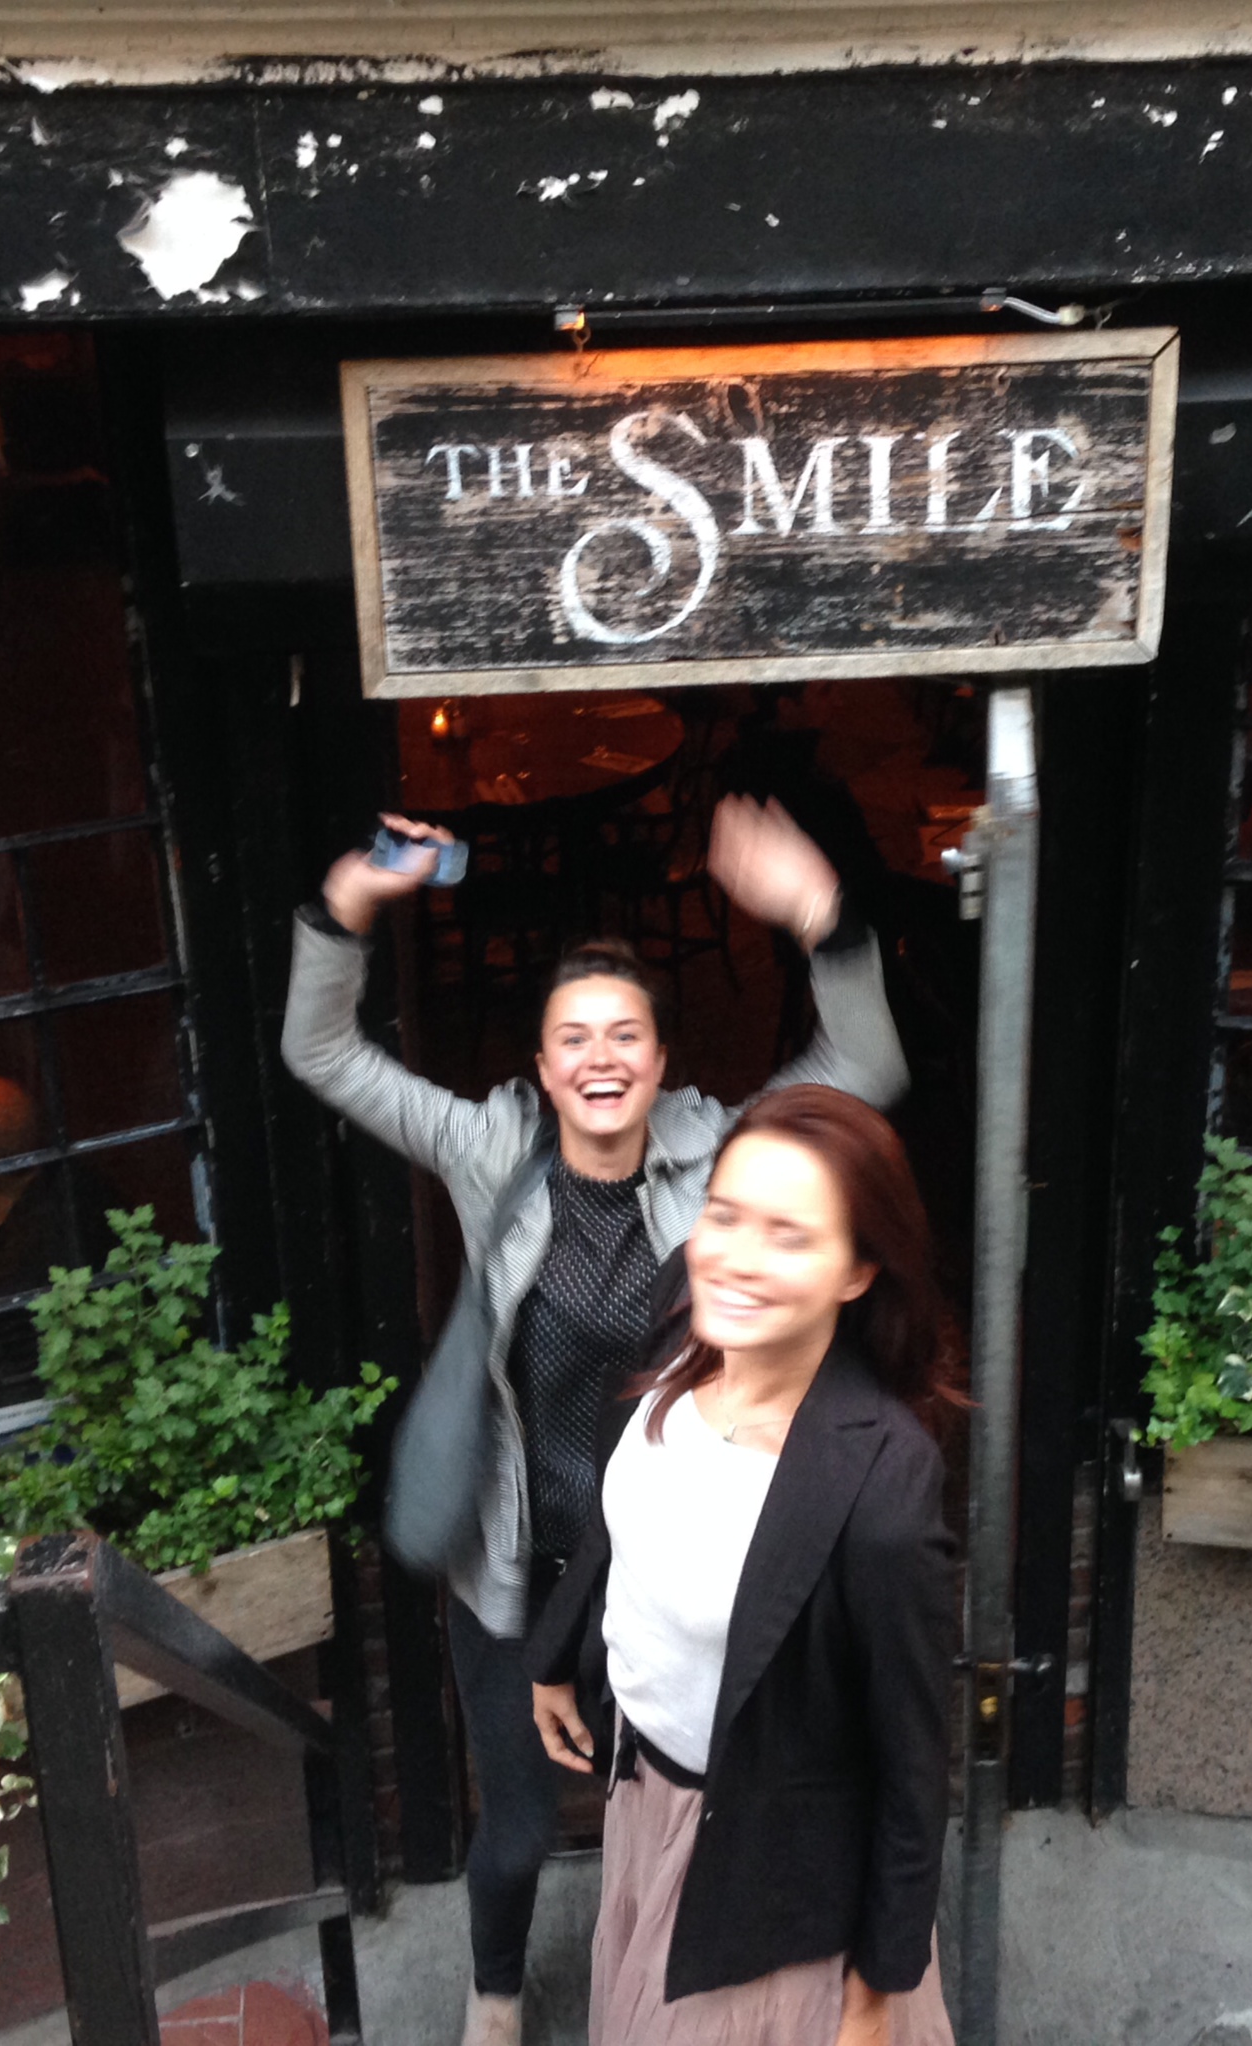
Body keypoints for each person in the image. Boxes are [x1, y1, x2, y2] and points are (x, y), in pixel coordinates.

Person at [279, 797, 908, 2046]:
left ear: (662, 1061)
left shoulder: (723, 1155)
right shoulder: (488, 1147)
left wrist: (817, 913)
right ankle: (496, 1997)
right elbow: (323, 1053)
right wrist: (348, 905)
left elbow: (866, 1070)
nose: (601, 1057)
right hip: (517, 1565)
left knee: (673, 1806)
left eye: (627, 1034)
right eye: (575, 1038)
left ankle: (657, 1988)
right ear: (543, 1062)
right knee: (517, 1831)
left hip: (664, 1564)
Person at [527, 1084, 959, 2046]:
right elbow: (627, 1518)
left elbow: (913, 1767)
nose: (735, 1258)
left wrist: (871, 2001)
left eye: (789, 1236)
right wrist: (556, 1654)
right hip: (642, 1798)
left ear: (859, 1272)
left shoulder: (879, 1491)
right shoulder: (687, 1315)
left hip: (763, 1868)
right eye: (724, 1214)